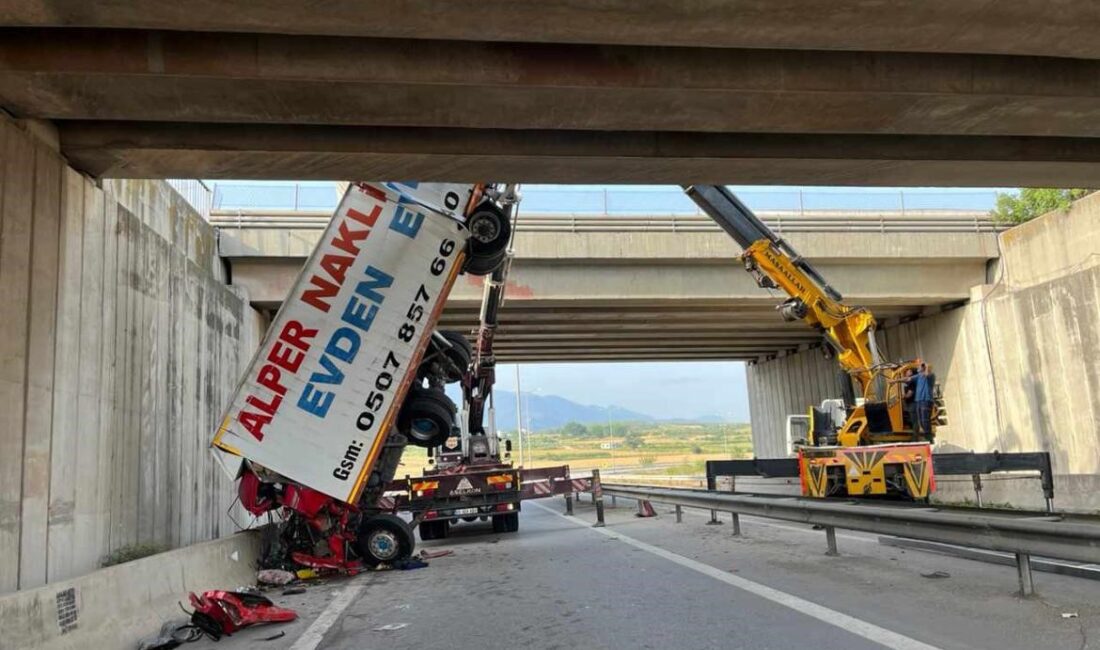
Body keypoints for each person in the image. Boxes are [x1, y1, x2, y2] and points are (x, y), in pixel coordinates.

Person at [914, 363, 937, 440]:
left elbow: (927, 374)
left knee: (925, 419)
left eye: (920, 366)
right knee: (920, 420)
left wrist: (926, 366)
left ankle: (928, 436)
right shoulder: (919, 376)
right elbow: (908, 379)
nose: (918, 367)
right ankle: (926, 435)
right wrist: (894, 381)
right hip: (919, 400)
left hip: (926, 400)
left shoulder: (931, 376)